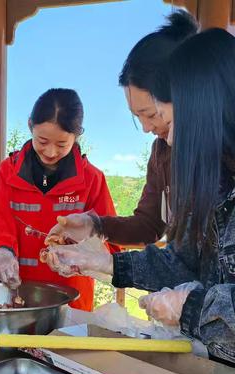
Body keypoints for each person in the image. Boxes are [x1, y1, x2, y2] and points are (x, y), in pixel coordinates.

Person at [43, 29, 235, 371]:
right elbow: (182, 261)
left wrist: (193, 306)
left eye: (159, 114)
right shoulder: (212, 173)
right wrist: (107, 264)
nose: (158, 130)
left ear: (211, 102)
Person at [47, 10, 197, 247]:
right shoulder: (162, 152)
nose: (147, 128)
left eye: (152, 115)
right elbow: (149, 225)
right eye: (137, 117)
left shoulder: (234, 157)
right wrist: (95, 226)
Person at [0, 88, 117, 311]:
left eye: (61, 144)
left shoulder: (92, 179)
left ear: (77, 136)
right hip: (16, 299)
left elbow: (112, 242)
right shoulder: (8, 171)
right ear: (30, 126)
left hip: (71, 304)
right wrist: (0, 254)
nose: (51, 152)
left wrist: (83, 256)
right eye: (42, 141)